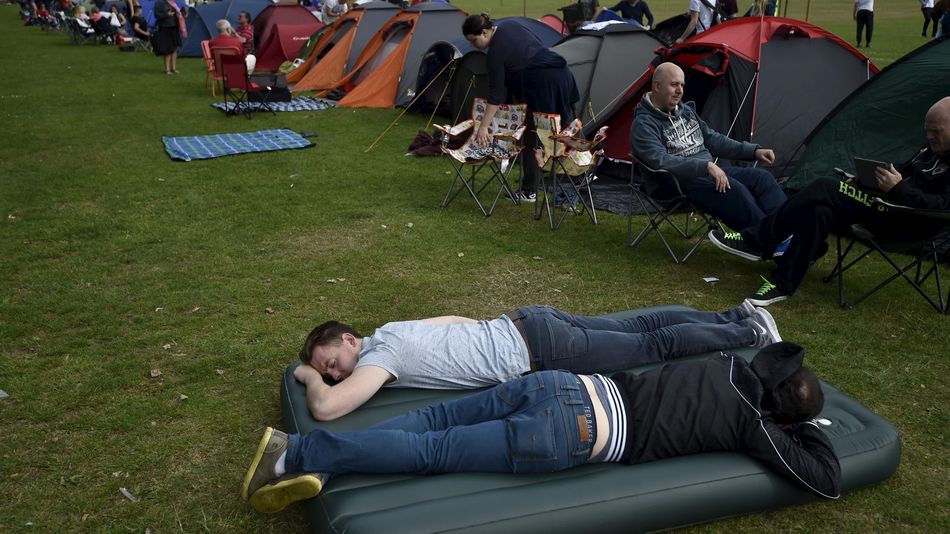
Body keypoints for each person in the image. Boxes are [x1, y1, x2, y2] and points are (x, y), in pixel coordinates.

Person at [241, 342, 841, 514]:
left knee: (432, 419)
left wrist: (781, 387)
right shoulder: (754, 424)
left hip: (558, 384)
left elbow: (778, 355)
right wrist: (802, 428)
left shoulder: (730, 363)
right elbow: (825, 476)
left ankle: (305, 453)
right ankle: (295, 455)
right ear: (781, 416)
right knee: (432, 450)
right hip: (576, 432)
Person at [292, 302, 782, 421]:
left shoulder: (382, 355)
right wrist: (490, 336)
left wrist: (309, 376)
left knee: (650, 347)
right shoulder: (391, 331)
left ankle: (748, 329)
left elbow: (328, 409)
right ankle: (733, 314)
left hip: (541, 348)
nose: (334, 373)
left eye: (331, 361)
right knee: (639, 329)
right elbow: (451, 320)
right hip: (528, 323)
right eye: (328, 370)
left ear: (350, 341)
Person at [708, 97, 950, 306]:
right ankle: (782, 284)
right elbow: (905, 174)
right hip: (887, 208)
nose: (929, 136)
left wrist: (899, 189)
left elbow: (941, 207)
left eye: (936, 130)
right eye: (927, 129)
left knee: (826, 186)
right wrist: (873, 181)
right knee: (819, 211)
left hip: (908, 226)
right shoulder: (930, 149)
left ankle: (758, 240)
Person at [631, 62, 787, 234]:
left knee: (762, 178)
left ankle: (790, 231)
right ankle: (769, 239)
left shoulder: (686, 112)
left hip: (705, 173)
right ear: (657, 86)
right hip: (672, 182)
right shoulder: (643, 124)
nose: (680, 90)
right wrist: (705, 166)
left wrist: (753, 151)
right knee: (734, 190)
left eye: (682, 85)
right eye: (674, 84)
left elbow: (712, 139)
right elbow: (661, 161)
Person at [462, 14, 580, 203]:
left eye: (474, 40)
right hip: (563, 72)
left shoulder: (494, 54)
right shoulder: (510, 25)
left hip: (543, 83)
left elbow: (496, 96)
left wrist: (484, 126)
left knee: (533, 137)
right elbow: (536, 45)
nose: (472, 45)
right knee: (567, 131)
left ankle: (529, 191)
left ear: (484, 32)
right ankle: (580, 179)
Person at [153, 0, 186, 74]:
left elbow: (177, 14)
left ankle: (173, 68)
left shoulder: (173, 2)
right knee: (167, 48)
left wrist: (181, 14)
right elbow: (157, 15)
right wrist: (167, 14)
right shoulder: (159, 3)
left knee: (174, 48)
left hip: (175, 27)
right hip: (165, 27)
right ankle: (167, 69)